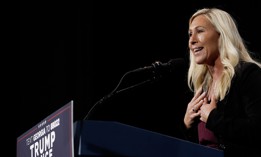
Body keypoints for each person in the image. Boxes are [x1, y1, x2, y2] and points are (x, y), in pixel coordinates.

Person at [181, 8, 261, 157]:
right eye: (190, 34)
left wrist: (213, 118)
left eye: (200, 31)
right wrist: (187, 124)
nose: (192, 41)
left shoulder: (247, 74)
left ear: (221, 34)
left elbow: (257, 130)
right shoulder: (202, 87)